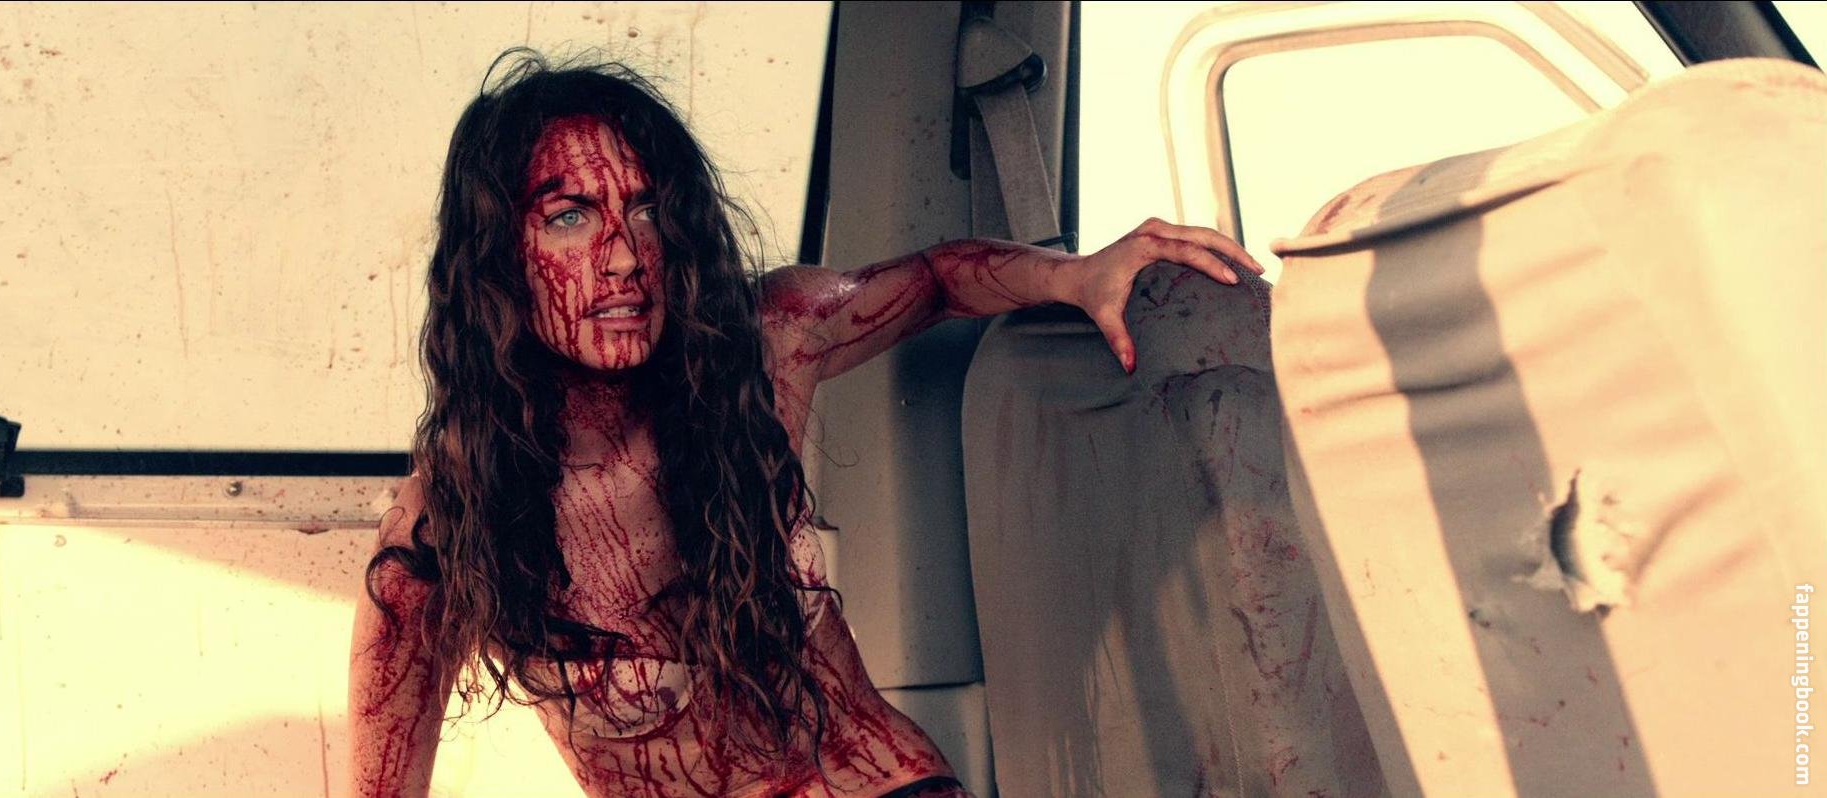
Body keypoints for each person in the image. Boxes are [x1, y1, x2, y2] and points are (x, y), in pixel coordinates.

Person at [347, 49, 1262, 798]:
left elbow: (936, 279)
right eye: (570, 217)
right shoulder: (446, 528)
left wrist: (1075, 274)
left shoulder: (763, 345)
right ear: (497, 258)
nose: (623, 257)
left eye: (648, 209)